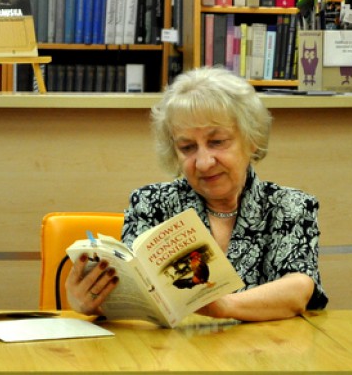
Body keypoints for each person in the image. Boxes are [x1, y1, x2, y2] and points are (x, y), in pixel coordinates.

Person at [66, 67, 328, 321]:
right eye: (187, 147)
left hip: (267, 349)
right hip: (174, 350)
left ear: (251, 140)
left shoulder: (290, 206)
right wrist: (90, 300)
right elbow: (137, 294)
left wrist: (223, 306)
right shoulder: (152, 203)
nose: (203, 163)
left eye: (217, 142)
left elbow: (298, 289)